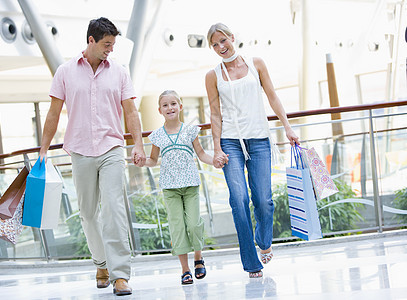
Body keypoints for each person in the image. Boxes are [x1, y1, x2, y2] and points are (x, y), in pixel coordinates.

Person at [39, 17, 146, 296]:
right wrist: (42, 149)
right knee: (88, 214)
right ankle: (101, 263)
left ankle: (120, 274)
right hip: (80, 150)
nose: (111, 49)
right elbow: (53, 113)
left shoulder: (120, 71)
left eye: (113, 44)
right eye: (106, 44)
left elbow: (131, 111)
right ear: (91, 41)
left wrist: (138, 145)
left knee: (114, 209)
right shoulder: (65, 71)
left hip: (111, 148)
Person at [205, 23, 299, 278]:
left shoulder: (256, 64)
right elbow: (214, 113)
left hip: (258, 139)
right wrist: (216, 148)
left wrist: (288, 127)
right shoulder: (213, 75)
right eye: (214, 44)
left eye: (223, 40)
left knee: (263, 201)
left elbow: (272, 96)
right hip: (230, 142)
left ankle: (264, 240)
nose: (221, 47)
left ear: (233, 38)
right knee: (239, 200)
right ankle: (251, 262)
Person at [144, 90, 213, 284]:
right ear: (159, 110)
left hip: (190, 184)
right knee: (177, 228)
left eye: (173, 103)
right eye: (165, 105)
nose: (170, 108)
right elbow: (152, 160)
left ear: (180, 106)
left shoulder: (190, 130)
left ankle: (198, 257)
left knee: (193, 223)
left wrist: (215, 160)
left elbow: (201, 154)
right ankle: (185, 269)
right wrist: (142, 162)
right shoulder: (157, 136)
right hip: (170, 188)